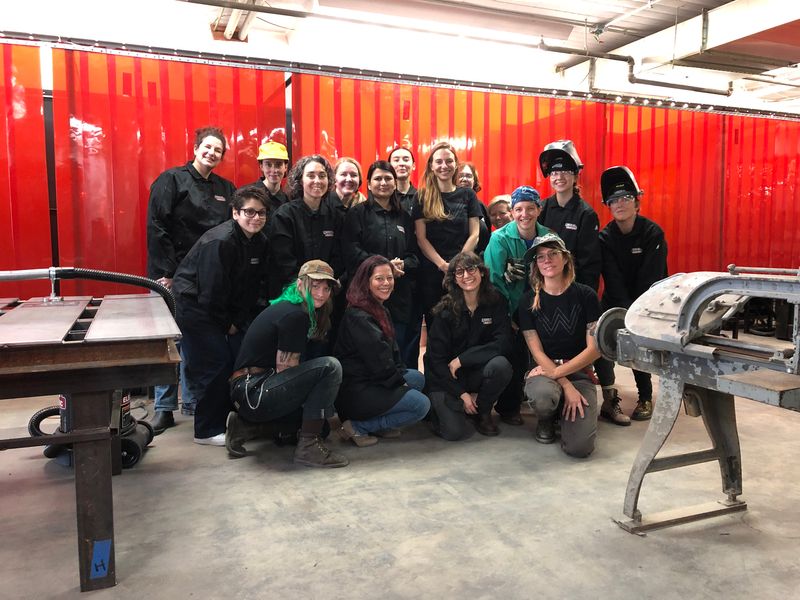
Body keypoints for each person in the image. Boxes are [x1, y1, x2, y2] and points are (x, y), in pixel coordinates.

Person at [146, 126, 236, 433]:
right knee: (168, 341)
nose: (212, 153)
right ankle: (163, 407)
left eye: (218, 150)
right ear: (196, 148)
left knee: (197, 343)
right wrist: (164, 274)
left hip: (207, 278)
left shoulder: (226, 187)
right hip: (171, 276)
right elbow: (157, 227)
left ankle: (195, 402)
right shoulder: (171, 180)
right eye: (208, 147)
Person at [225, 260, 349, 467]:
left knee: (321, 426)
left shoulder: (292, 306)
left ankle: (245, 427)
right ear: (300, 285)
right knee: (330, 366)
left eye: (326, 288)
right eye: (315, 286)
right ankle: (308, 449)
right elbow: (286, 371)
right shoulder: (295, 315)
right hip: (254, 391)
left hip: (247, 390)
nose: (321, 293)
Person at [172, 185, 269, 446]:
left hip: (222, 309)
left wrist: (238, 321)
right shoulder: (221, 241)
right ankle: (205, 430)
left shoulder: (258, 241)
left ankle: (226, 417)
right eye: (249, 212)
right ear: (235, 213)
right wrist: (228, 324)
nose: (256, 218)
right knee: (215, 364)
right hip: (195, 307)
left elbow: (247, 287)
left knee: (233, 360)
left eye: (261, 213)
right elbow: (211, 292)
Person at [596, 166, 668, 423]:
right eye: (614, 200)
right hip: (617, 299)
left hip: (648, 299)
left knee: (640, 345)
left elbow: (652, 278)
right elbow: (611, 278)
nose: (619, 204)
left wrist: (636, 315)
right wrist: (623, 312)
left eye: (625, 198)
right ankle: (609, 395)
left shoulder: (653, 234)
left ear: (637, 202)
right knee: (599, 339)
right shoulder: (605, 237)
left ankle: (646, 396)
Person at [334, 256, 430, 447]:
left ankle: (378, 421)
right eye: (379, 278)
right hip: (357, 390)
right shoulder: (359, 316)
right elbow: (380, 364)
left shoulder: (378, 308)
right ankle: (359, 426)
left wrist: (400, 379)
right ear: (366, 282)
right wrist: (400, 384)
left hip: (373, 381)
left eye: (389, 278)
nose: (386, 283)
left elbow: (392, 356)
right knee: (421, 405)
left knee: (417, 379)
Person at [520, 233, 601, 458]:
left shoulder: (586, 296)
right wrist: (565, 384)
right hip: (544, 371)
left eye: (553, 253)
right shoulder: (528, 301)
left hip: (580, 372)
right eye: (541, 257)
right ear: (536, 265)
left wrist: (563, 374)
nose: (547, 260)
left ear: (565, 258)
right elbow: (536, 351)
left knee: (579, 448)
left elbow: (593, 350)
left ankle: (571, 415)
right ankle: (547, 418)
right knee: (544, 397)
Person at [425, 252, 513, 440]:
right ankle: (448, 409)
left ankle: (483, 411)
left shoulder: (496, 302)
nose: (466, 276)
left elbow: (502, 342)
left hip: (474, 372)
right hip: (446, 379)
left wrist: (463, 359)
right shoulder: (444, 311)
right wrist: (462, 394)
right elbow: (435, 360)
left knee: (501, 365)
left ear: (481, 272)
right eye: (459, 272)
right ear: (454, 279)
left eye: (471, 269)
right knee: (455, 433)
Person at [484, 186, 550, 425]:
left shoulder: (549, 237)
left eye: (530, 208)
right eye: (519, 209)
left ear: (538, 209)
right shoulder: (499, 239)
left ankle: (549, 406)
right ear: (512, 212)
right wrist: (506, 318)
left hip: (542, 309)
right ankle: (508, 407)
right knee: (513, 356)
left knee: (545, 354)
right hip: (510, 310)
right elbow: (493, 282)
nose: (525, 214)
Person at [342, 160, 419, 366]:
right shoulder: (356, 214)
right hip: (365, 298)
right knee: (371, 354)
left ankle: (404, 390)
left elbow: (414, 255)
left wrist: (402, 266)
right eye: (377, 178)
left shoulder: (405, 216)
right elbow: (351, 252)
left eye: (388, 178)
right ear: (368, 184)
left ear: (395, 183)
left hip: (400, 296)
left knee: (400, 351)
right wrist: (385, 267)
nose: (383, 183)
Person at [413, 141, 482, 326]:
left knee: (462, 323)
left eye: (449, 161)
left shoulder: (468, 194)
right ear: (431, 166)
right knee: (436, 325)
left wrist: (457, 265)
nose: (444, 166)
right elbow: (421, 238)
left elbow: (474, 234)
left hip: (463, 271)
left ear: (456, 165)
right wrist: (443, 265)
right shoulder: (421, 196)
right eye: (439, 162)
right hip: (432, 273)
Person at [267, 155, 343, 298]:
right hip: (293, 291)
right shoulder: (285, 215)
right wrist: (307, 287)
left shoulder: (336, 217)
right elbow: (283, 260)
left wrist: (323, 286)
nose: (317, 181)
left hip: (325, 292)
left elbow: (339, 257)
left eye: (322, 176)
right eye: (310, 175)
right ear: (300, 181)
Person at [537, 140, 601, 291]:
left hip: (574, 289)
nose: (559, 177)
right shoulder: (542, 208)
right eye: (554, 172)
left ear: (576, 176)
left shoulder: (586, 214)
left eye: (565, 171)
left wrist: (584, 297)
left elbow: (590, 265)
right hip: (544, 288)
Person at [456, 161, 491, 253]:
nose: (464, 179)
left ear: (474, 181)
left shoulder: (481, 206)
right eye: (460, 175)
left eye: (468, 176)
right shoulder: (445, 204)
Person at [249, 140, 290, 214]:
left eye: (278, 164)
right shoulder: (247, 195)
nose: (274, 170)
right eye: (268, 164)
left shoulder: (288, 201)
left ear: (286, 167)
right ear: (261, 166)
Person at [388, 146, 417, 214]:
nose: (401, 163)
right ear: (389, 166)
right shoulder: (384, 198)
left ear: (413, 165)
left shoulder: (421, 197)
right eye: (396, 160)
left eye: (406, 160)